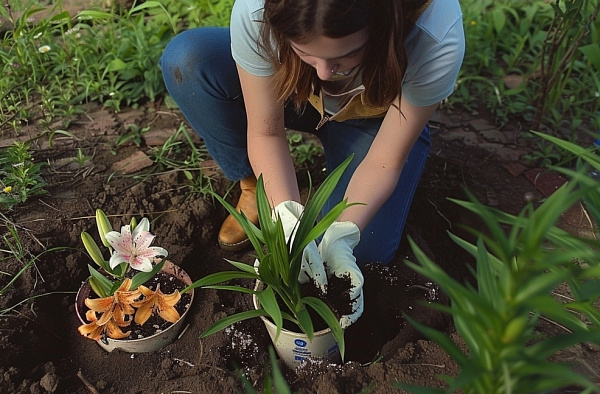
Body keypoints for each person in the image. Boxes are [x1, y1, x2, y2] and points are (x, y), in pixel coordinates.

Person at [160, 0, 465, 328]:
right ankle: (253, 188)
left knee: (358, 259)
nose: (324, 72)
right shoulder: (257, 9)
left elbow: (385, 161)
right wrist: (285, 215)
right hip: (293, 92)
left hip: (377, 120)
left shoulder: (434, 35)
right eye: (307, 51)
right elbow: (265, 133)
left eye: (344, 55)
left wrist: (344, 233)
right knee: (189, 59)